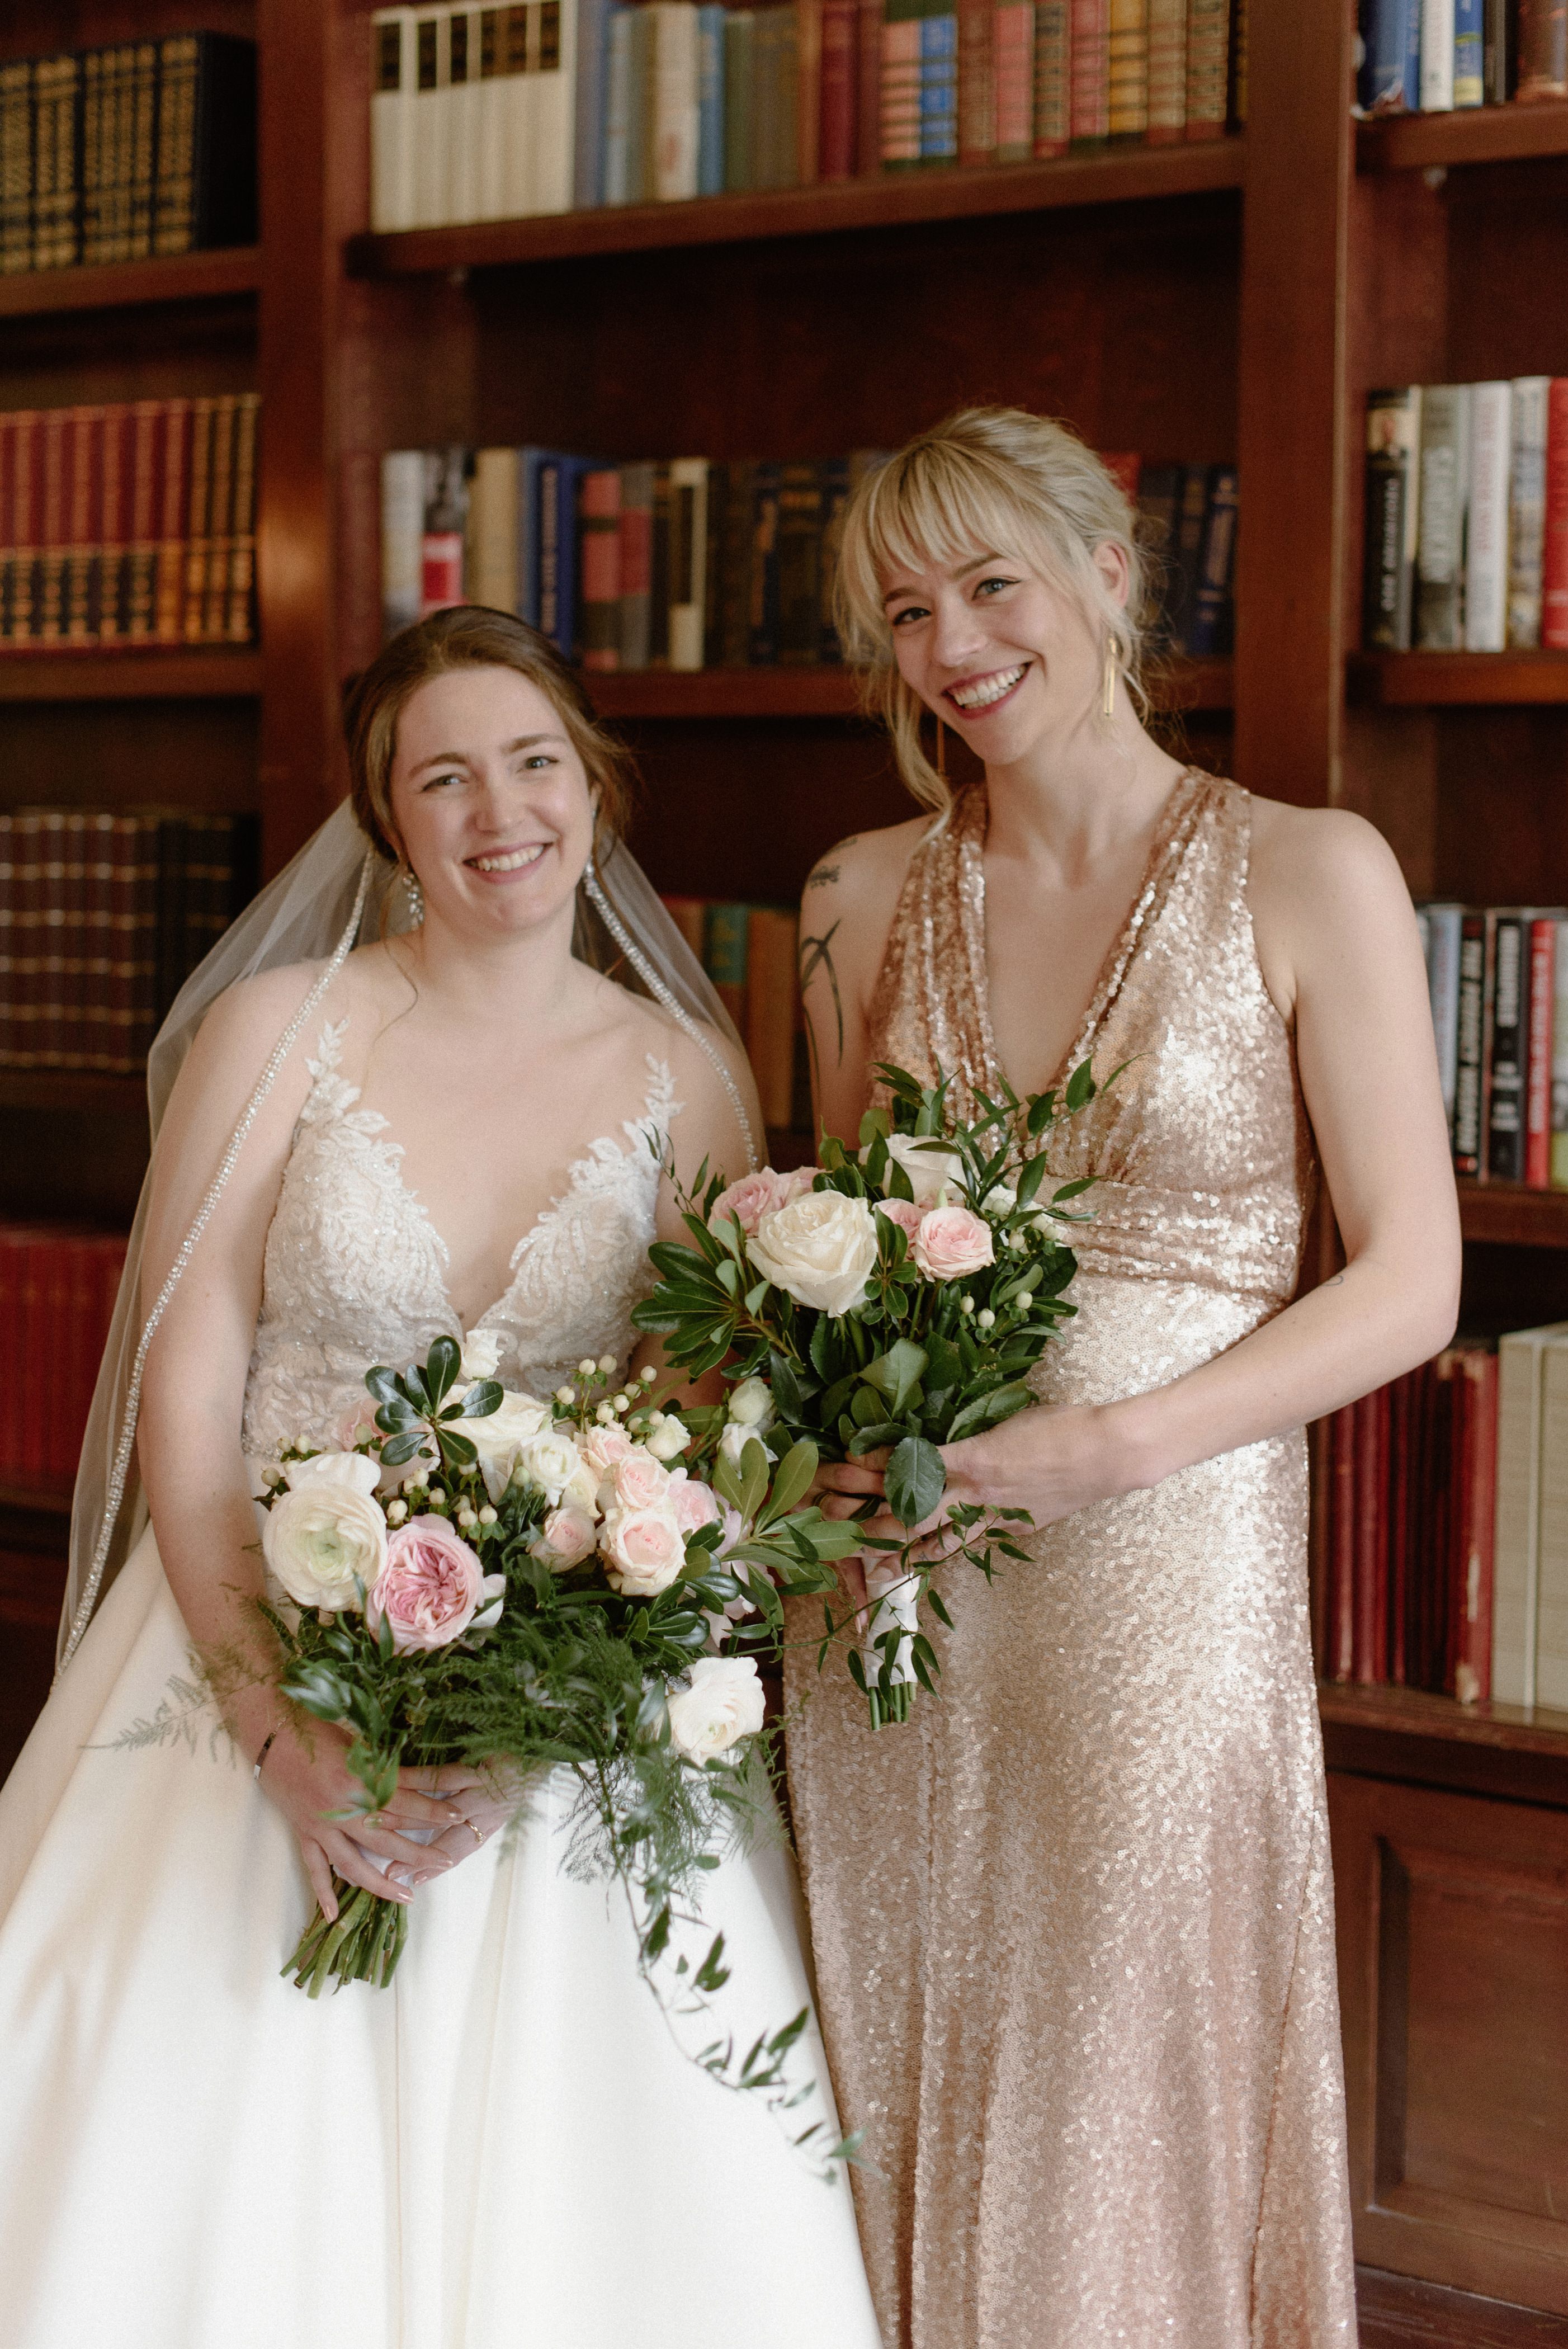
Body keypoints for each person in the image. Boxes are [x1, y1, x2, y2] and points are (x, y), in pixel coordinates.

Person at [0, 608, 880, 2349]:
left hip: (570, 1697)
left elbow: (693, 1428)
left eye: (535, 763)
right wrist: (277, 1728)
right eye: (446, 778)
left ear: (595, 789)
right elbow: (188, 1388)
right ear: (385, 819)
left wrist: (540, 1710)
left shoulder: (684, 1071)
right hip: (253, 1635)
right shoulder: (275, 1030)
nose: (501, 812)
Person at [784, 408, 1461, 2349]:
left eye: (989, 585)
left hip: (1160, 1585)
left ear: (1106, 571)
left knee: (1117, 2089)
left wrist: (1114, 1448)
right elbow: (825, 1255)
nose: (951, 646)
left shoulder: (1309, 868)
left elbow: (1412, 1281)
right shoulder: (850, 897)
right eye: (906, 613)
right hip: (896, 1601)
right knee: (880, 2058)